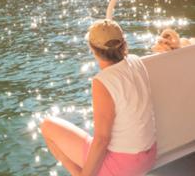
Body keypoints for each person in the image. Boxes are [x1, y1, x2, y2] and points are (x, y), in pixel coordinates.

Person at [40, 19, 157, 176]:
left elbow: (102, 140)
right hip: (149, 155)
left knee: (47, 126)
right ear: (123, 43)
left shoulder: (103, 81)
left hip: (124, 166)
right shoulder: (136, 61)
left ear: (93, 49)